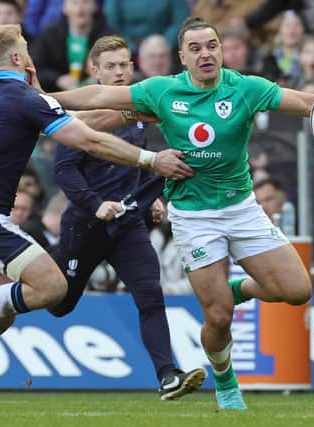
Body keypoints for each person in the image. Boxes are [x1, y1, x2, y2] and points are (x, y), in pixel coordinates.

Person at [49, 17, 314, 410]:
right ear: (182, 57)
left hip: (242, 208)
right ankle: (226, 381)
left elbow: (308, 103)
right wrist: (40, 99)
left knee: (298, 291)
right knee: (218, 319)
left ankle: (237, 289)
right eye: (195, 48)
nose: (206, 54)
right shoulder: (163, 91)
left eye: (212, 46)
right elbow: (98, 97)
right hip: (193, 216)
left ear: (221, 50)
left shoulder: (246, 88)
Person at [0, 23, 192, 410]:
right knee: (52, 288)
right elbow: (88, 139)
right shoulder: (21, 97)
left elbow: (83, 122)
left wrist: (131, 117)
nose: (29, 53)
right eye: (24, 47)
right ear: (15, 58)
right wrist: (150, 159)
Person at [50, 35, 206, 400]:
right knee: (58, 303)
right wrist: (94, 204)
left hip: (127, 225)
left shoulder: (138, 110)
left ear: (132, 67)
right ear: (95, 72)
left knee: (150, 295)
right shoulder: (85, 115)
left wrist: (150, 194)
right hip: (85, 226)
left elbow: (135, 161)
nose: (119, 72)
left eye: (124, 65)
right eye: (110, 67)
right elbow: (65, 170)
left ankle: (168, 375)